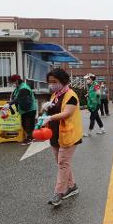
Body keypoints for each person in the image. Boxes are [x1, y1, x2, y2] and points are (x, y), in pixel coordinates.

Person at [39, 68, 83, 207]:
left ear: (63, 81)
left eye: (55, 81)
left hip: (68, 135)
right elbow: (45, 111)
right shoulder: (55, 95)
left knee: (63, 163)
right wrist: (44, 108)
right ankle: (72, 186)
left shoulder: (71, 96)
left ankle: (59, 193)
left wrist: (50, 117)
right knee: (62, 162)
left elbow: (67, 113)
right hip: (55, 134)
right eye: (49, 82)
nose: (51, 84)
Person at [4, 74, 37, 145]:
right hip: (24, 109)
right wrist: (10, 104)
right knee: (24, 124)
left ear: (16, 81)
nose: (12, 84)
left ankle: (30, 138)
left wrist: (9, 104)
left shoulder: (24, 88)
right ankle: (30, 137)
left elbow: (19, 98)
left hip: (29, 109)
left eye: (12, 82)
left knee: (28, 124)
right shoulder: (18, 88)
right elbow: (15, 97)